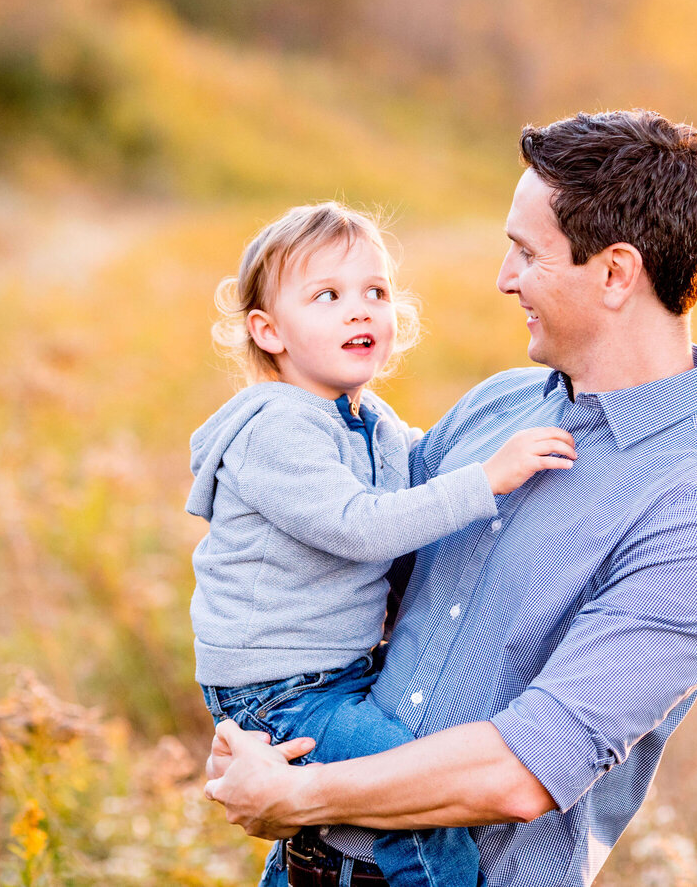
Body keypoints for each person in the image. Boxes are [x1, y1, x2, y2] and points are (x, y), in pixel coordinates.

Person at [203, 110, 697, 887]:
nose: (504, 279)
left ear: (614, 273)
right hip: (303, 867)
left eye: (526, 253)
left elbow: (523, 770)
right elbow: (351, 564)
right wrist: (258, 712)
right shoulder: (498, 406)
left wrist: (296, 791)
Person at [186, 201, 579, 887]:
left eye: (376, 291)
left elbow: (418, 475)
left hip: (328, 675)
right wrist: (488, 478)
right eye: (328, 296)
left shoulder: (370, 420)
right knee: (419, 812)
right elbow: (362, 524)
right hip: (280, 691)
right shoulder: (277, 427)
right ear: (268, 331)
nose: (360, 310)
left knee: (352, 818)